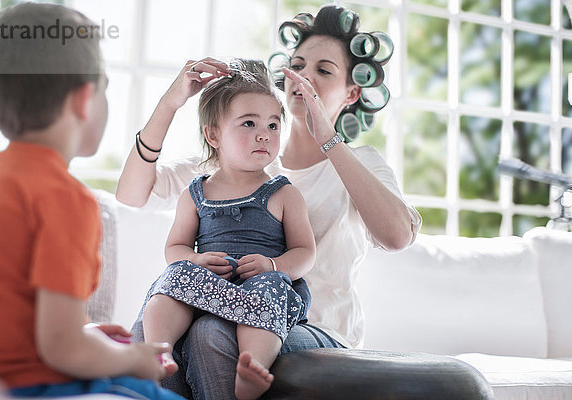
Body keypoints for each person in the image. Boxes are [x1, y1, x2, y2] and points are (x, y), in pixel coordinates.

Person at [116, 4, 421, 400]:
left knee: (209, 333)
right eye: (297, 65)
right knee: (156, 328)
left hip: (317, 326)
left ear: (352, 92)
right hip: (222, 304)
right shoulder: (240, 158)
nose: (303, 77)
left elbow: (398, 237)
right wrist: (171, 103)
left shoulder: (358, 163)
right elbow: (131, 193)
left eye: (323, 70)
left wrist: (328, 138)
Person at [0, 3, 182, 399]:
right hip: (35, 386)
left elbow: (5, 314)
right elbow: (62, 349)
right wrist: (132, 359)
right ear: (84, 100)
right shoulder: (65, 200)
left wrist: (85, 332)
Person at [134, 59, 316, 400]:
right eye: (249, 123)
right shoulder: (196, 192)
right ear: (213, 134)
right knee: (173, 277)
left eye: (273, 125)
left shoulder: (283, 193)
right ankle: (157, 349)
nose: (264, 134)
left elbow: (305, 252)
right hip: (208, 286)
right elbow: (175, 246)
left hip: (254, 287)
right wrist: (193, 260)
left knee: (270, 286)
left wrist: (272, 265)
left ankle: (253, 366)